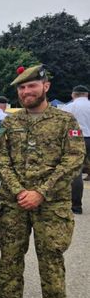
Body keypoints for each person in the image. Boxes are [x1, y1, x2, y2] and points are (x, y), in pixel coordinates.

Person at [0, 65, 85, 298]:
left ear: (45, 87)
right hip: (15, 202)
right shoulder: (11, 123)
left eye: (32, 86)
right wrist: (18, 190)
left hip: (51, 203)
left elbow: (74, 159)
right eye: (22, 88)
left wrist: (40, 191)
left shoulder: (65, 121)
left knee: (51, 258)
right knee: (10, 253)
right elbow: (0, 158)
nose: (26, 92)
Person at [62, 85, 90, 214]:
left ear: (73, 95)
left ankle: (76, 206)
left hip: (76, 138)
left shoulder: (68, 107)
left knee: (76, 172)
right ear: (87, 94)